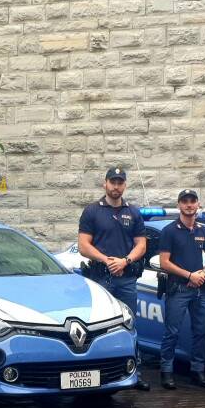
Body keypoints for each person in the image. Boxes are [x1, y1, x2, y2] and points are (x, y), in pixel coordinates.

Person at [77, 167, 151, 391]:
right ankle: (96, 373)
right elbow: (83, 246)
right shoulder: (92, 211)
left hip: (126, 279)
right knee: (98, 326)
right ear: (105, 184)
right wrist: (107, 260)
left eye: (120, 182)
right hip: (101, 279)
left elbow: (142, 244)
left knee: (129, 326)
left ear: (125, 185)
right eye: (113, 182)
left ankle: (133, 372)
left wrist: (125, 261)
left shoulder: (134, 212)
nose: (116, 186)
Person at [157, 189, 205, 390]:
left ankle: (197, 371)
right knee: (172, 332)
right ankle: (166, 371)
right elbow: (164, 262)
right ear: (179, 205)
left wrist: (202, 274)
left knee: (201, 332)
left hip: (200, 289)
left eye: (192, 201)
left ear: (198, 204)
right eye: (185, 201)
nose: (189, 205)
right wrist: (189, 276)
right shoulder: (169, 230)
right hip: (178, 289)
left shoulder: (203, 230)